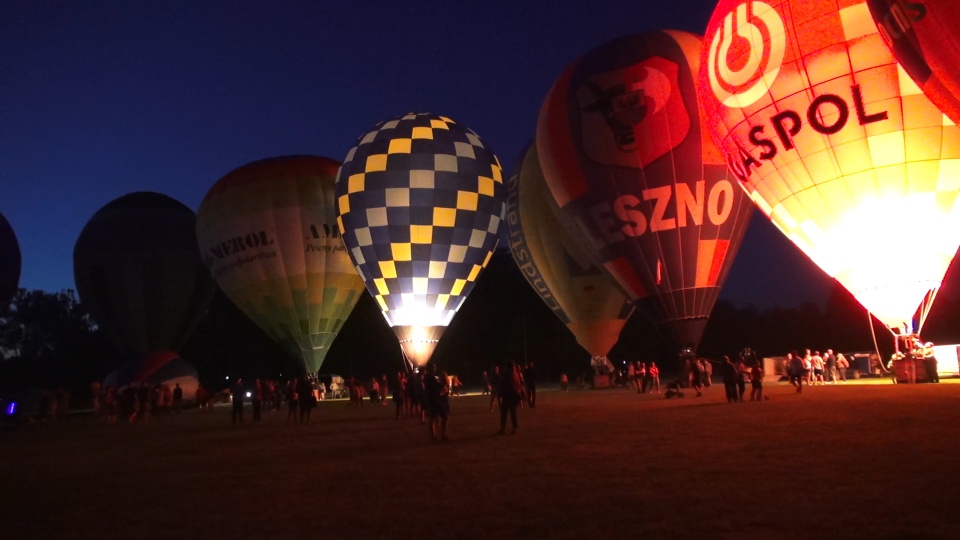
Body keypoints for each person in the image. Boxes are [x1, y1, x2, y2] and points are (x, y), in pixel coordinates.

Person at [498, 360, 523, 435]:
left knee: (504, 413)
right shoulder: (516, 375)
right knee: (513, 413)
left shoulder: (506, 374)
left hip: (507, 396)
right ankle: (514, 428)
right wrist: (519, 397)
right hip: (514, 396)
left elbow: (503, 385)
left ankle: (503, 428)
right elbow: (518, 386)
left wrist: (500, 395)